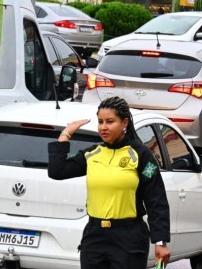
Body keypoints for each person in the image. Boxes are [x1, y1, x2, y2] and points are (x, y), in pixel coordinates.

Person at [48, 96, 171, 268]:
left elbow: (156, 199)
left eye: (110, 122)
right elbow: (57, 171)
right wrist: (66, 133)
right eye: (100, 122)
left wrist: (160, 241)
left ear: (124, 123)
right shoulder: (92, 153)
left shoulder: (141, 155)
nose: (103, 127)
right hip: (94, 237)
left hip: (129, 238)